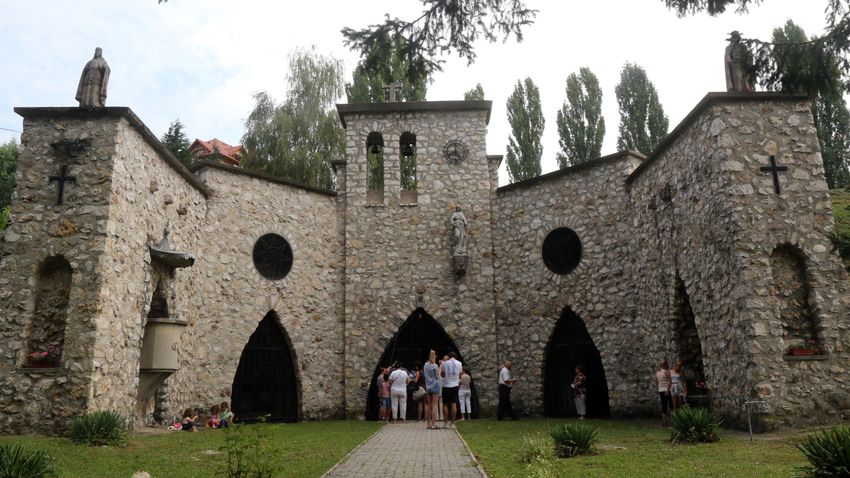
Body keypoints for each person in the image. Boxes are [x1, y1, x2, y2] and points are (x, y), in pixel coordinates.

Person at [441, 352, 462, 428]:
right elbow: (460, 375)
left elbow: (442, 374)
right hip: (455, 385)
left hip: (446, 385)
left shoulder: (445, 363)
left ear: (449, 357)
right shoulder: (459, 363)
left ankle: (445, 423)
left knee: (445, 404)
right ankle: (453, 423)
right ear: (455, 357)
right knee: (454, 404)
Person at [423, 350, 442, 430]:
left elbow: (425, 375)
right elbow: (438, 376)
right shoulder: (435, 366)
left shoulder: (425, 365)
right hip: (435, 386)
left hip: (428, 386)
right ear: (434, 356)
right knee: (434, 405)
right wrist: (440, 368)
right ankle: (433, 424)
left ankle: (428, 424)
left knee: (429, 405)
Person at [656, 360, 672, 424]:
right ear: (664, 365)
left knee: (664, 405)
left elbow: (657, 382)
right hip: (667, 390)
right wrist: (667, 390)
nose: (668, 365)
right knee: (671, 405)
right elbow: (670, 382)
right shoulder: (667, 372)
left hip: (661, 390)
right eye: (667, 364)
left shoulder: (657, 373)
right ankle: (672, 421)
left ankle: (664, 422)